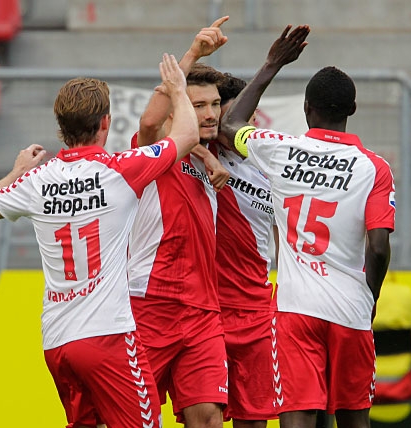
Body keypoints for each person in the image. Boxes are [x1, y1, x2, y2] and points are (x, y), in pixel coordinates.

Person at [0, 53, 200, 428]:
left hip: (58, 341)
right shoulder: (120, 170)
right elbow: (188, 135)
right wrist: (179, 90)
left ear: (61, 128)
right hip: (108, 336)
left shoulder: (37, 180)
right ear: (106, 123)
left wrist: (17, 170)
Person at [221, 24, 396, 428]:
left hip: (297, 308)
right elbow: (379, 248)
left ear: (305, 108)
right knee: (355, 419)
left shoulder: (282, 150)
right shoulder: (375, 168)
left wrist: (272, 64)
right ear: (351, 110)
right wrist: (368, 300)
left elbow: (230, 126)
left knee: (296, 415)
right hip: (350, 309)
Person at [127, 18, 230, 428]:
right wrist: (190, 57)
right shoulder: (157, 153)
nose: (209, 114)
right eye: (198, 105)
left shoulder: (213, 158)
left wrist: (208, 156)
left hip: (203, 311)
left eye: (214, 105)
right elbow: (151, 122)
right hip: (149, 306)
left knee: (207, 418)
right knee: (137, 420)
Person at [212, 73, 278, 428]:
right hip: (208, 313)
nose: (245, 126)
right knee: (205, 418)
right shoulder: (201, 154)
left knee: (254, 420)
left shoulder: (269, 165)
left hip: (256, 310)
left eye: (249, 117)